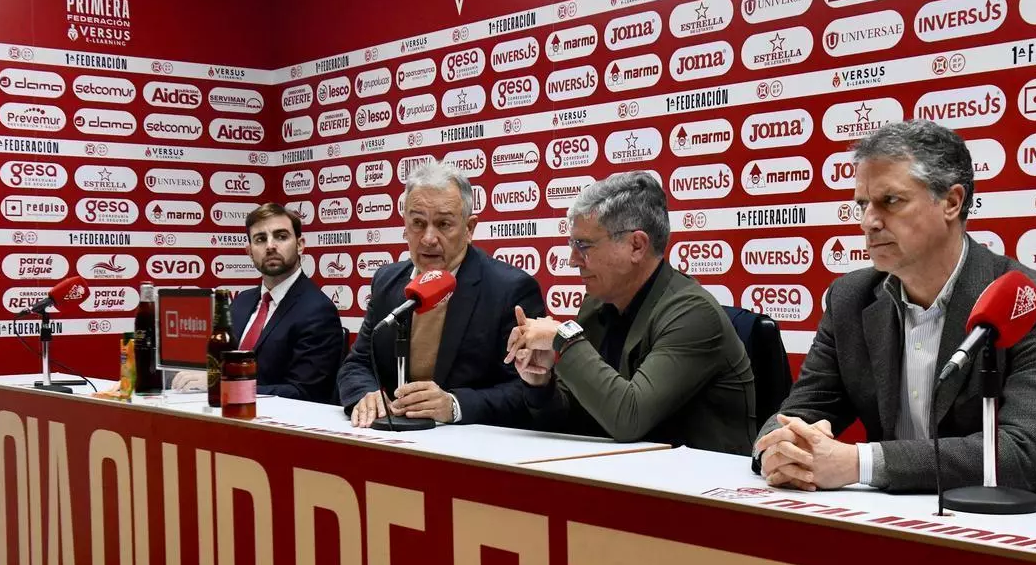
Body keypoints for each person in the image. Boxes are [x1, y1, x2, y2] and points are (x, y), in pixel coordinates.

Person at [754, 120, 1036, 500]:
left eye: (890, 201)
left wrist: (859, 463)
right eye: (863, 204)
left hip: (1029, 519)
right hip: (898, 514)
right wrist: (779, 448)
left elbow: (1022, 452)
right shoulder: (849, 298)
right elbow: (801, 411)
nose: (868, 222)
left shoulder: (1035, 303)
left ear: (951, 202)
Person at [505, 171, 756, 453]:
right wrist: (540, 384)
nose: (573, 260)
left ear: (636, 245)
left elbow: (629, 418)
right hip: (620, 470)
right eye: (572, 244)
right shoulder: (596, 304)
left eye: (583, 245)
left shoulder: (694, 314)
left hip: (698, 477)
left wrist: (564, 338)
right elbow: (574, 418)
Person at [338, 161, 545, 427]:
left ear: (469, 228)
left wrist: (455, 405)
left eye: (443, 224)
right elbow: (356, 364)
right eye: (418, 223)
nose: (428, 238)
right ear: (405, 225)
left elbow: (528, 389)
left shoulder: (510, 290)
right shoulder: (387, 281)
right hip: (390, 438)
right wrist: (366, 394)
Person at [172, 203, 343, 402]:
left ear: (300, 244)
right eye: (260, 239)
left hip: (278, 419)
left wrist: (224, 385)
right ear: (249, 251)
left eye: (281, 236)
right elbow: (218, 364)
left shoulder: (318, 311)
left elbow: (304, 393)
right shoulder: (241, 302)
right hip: (222, 412)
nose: (270, 246)